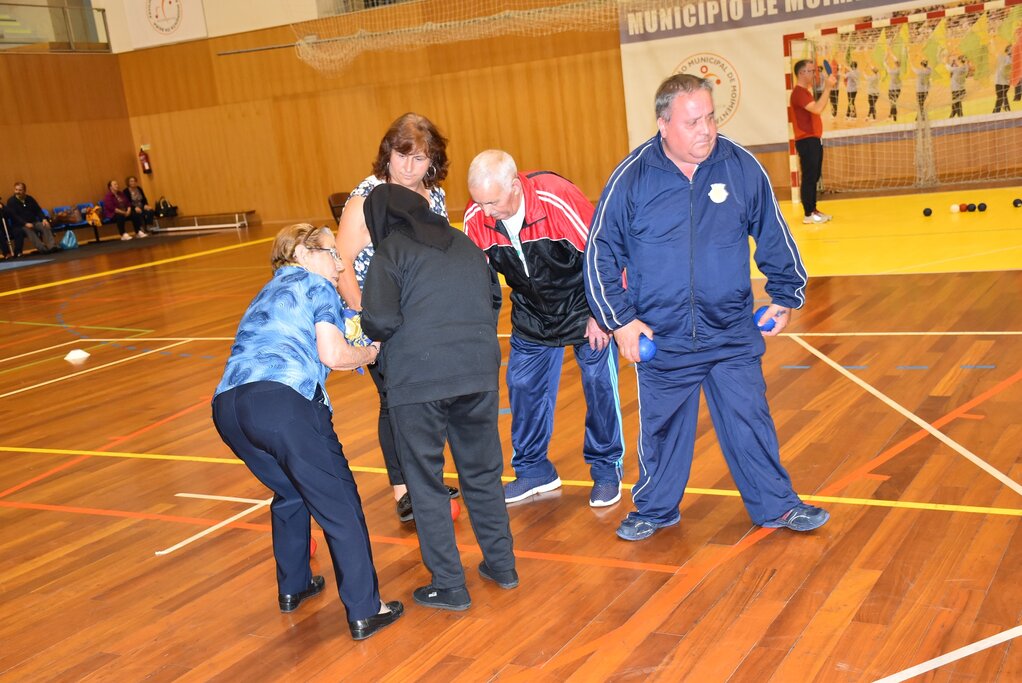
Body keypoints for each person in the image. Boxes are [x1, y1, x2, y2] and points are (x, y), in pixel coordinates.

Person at [584, 73, 829, 542]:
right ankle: (655, 510)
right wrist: (621, 322)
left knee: (750, 421)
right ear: (663, 124)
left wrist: (784, 295)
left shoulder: (740, 166)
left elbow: (774, 233)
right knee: (661, 431)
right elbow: (600, 253)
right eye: (693, 122)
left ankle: (777, 506)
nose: (707, 130)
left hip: (730, 330)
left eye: (711, 118)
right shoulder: (632, 178)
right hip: (662, 336)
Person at [212, 223, 403, 641]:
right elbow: (333, 355)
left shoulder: (266, 292)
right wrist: (369, 352)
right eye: (331, 253)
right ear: (301, 254)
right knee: (340, 504)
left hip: (228, 407)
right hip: (283, 405)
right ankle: (366, 610)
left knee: (291, 492)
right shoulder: (317, 286)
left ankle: (294, 585)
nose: (340, 265)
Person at [360, 184, 517, 611]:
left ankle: (449, 584)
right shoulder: (465, 243)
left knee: (425, 482)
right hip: (477, 372)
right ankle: (502, 565)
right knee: (482, 473)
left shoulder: (391, 251)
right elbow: (493, 299)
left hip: (418, 379)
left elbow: (379, 319)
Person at [463, 150, 625, 506]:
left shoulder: (556, 198)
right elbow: (477, 282)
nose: (485, 212)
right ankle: (534, 470)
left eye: (492, 202)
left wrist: (603, 314)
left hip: (584, 304)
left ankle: (606, 469)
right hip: (532, 311)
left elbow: (604, 254)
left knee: (598, 382)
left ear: (515, 186)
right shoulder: (476, 218)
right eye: (479, 202)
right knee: (523, 385)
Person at [334, 112, 459, 523]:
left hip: (424, 317)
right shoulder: (366, 199)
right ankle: (404, 491)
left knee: (426, 400)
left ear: (432, 161)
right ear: (387, 153)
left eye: (419, 158)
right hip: (382, 321)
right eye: (401, 155)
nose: (408, 167)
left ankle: (427, 479)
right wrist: (368, 319)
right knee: (394, 401)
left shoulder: (434, 196)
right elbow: (342, 263)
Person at [790, 59, 836, 225]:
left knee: (814, 176)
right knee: (810, 177)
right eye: (811, 71)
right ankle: (809, 213)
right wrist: (828, 88)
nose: (814, 74)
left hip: (814, 139)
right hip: (806, 140)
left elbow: (817, 108)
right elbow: (817, 109)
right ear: (802, 73)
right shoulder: (799, 93)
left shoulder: (806, 92)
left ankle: (813, 209)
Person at [4, 182, 58, 255]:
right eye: (16, 190)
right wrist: (25, 223)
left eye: (20, 190)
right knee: (29, 230)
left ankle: (52, 247)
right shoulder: (11, 201)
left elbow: (38, 210)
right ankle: (43, 249)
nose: (17, 192)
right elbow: (14, 216)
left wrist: (44, 219)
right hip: (21, 225)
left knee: (44, 225)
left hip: (34, 222)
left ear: (24, 191)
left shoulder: (30, 199)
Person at [994, 46, 1012, 113]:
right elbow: (996, 53)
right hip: (1000, 81)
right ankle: (1006, 109)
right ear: (1007, 50)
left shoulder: (1010, 59)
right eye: (1010, 48)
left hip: (1004, 81)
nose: (1012, 49)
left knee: (1001, 96)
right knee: (1001, 96)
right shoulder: (1004, 57)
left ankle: (996, 112)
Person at [886, 56, 903, 121]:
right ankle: (891, 114)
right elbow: (897, 62)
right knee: (893, 102)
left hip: (891, 89)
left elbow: (885, 63)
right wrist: (893, 56)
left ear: (896, 64)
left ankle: (894, 116)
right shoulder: (898, 70)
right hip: (898, 89)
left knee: (892, 102)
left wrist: (887, 55)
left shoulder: (891, 71)